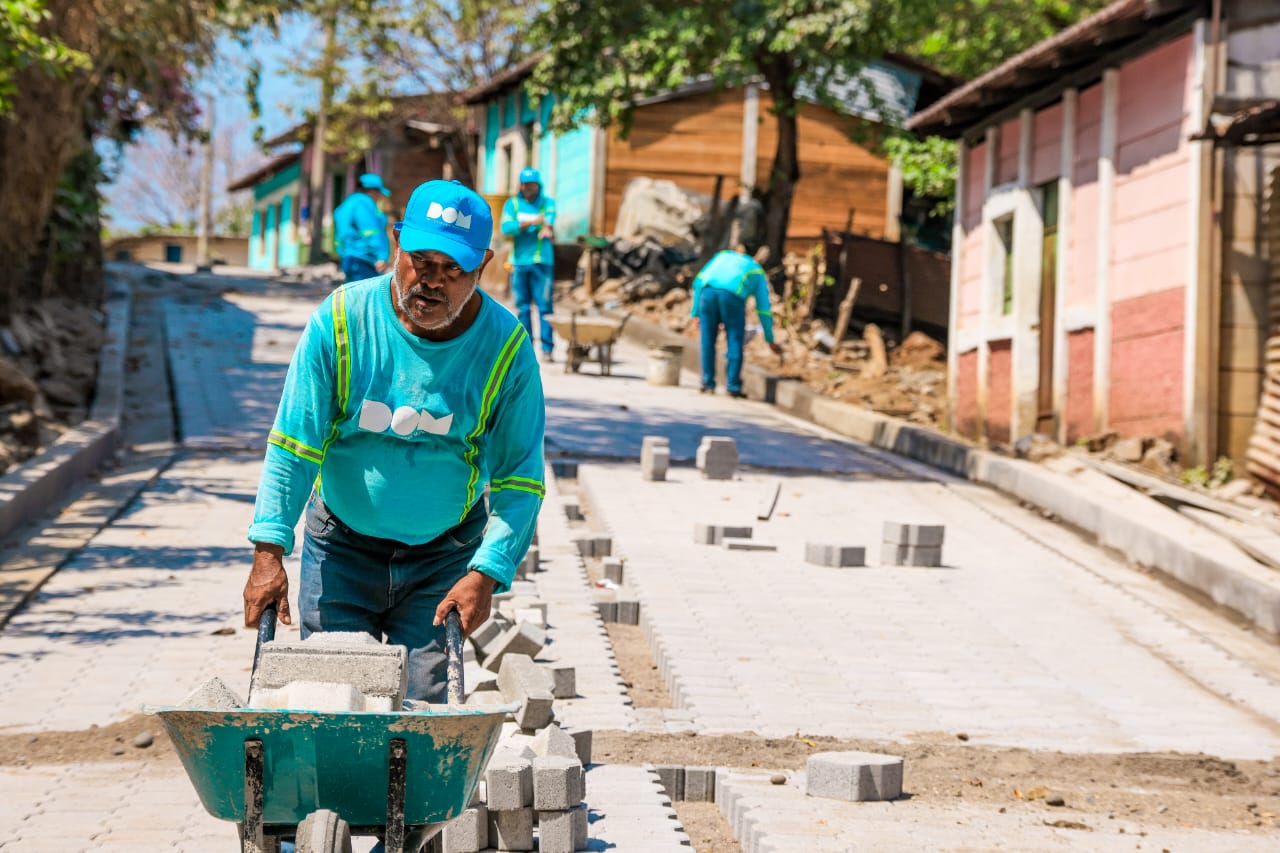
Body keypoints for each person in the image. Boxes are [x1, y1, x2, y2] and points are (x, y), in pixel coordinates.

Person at [243, 179, 546, 707]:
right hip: (341, 549)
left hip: (443, 558)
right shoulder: (341, 321)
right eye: (420, 261)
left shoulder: (506, 349)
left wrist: (487, 573)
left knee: (420, 718)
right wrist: (269, 552)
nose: (431, 282)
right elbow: (294, 445)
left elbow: (521, 478)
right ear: (395, 243)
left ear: (484, 266)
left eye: (453, 270)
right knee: (333, 708)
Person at [690, 246, 783, 397]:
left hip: (707, 294)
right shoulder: (756, 270)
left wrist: (695, 313)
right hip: (732, 299)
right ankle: (732, 386)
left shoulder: (722, 255)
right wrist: (769, 338)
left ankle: (707, 383)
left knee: (707, 340)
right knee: (735, 339)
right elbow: (764, 308)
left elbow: (699, 282)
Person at [500, 167, 557, 361]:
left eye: (531, 184)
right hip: (519, 262)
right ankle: (526, 348)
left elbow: (549, 218)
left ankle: (547, 348)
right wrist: (533, 222)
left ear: (537, 185)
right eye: (524, 184)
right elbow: (507, 227)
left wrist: (546, 226)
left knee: (545, 306)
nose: (527, 188)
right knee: (523, 307)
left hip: (542, 261)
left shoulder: (547, 203)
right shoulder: (513, 204)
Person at [332, 173, 392, 283]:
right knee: (368, 298)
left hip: (349, 259)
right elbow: (371, 232)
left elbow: (340, 235)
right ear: (372, 191)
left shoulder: (348, 203)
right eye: (379, 193)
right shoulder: (364, 204)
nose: (380, 197)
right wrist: (381, 256)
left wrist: (341, 252)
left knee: (354, 297)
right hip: (364, 260)